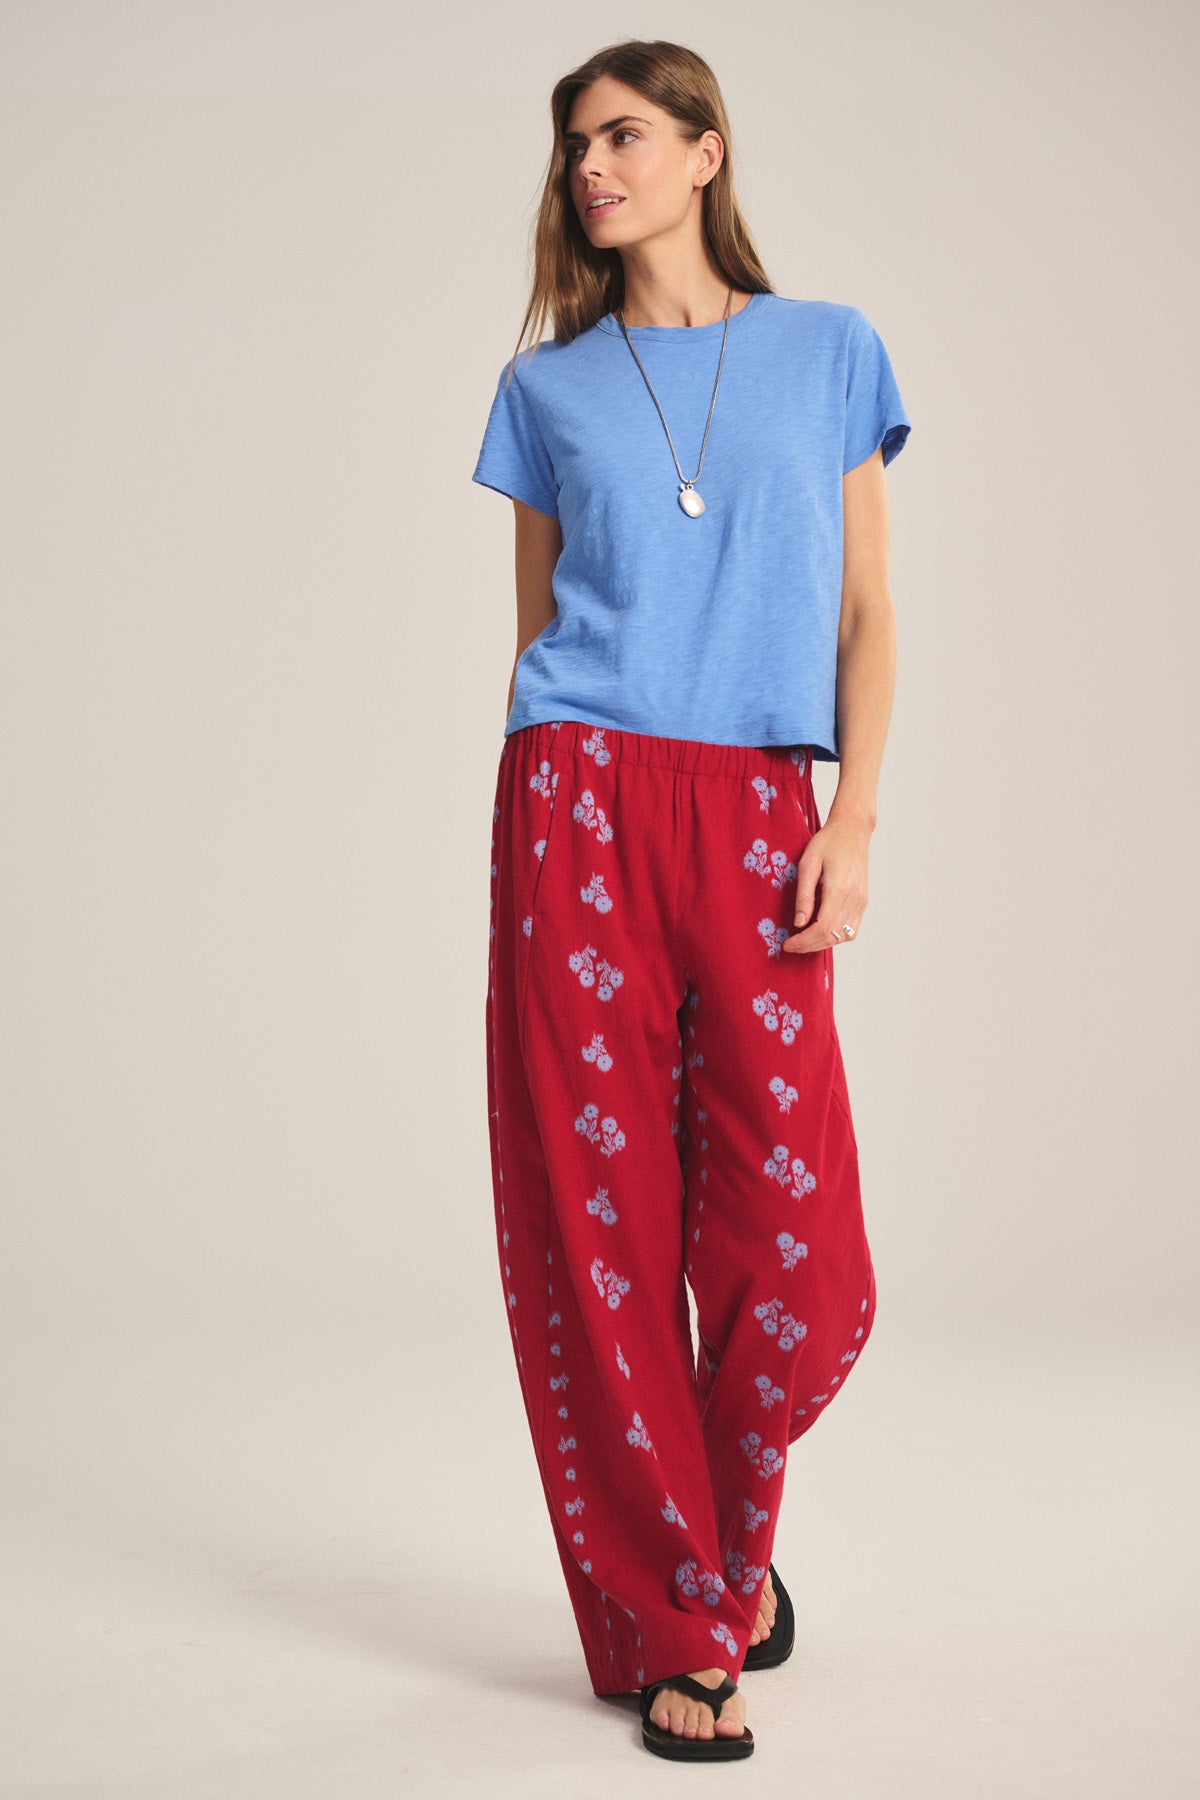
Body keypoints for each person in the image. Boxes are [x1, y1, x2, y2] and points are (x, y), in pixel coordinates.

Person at [471, 38, 911, 1764]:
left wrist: (852, 818)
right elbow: (536, 636)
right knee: (604, 1230)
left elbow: (869, 615)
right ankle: (681, 1622)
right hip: (577, 796)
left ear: (707, 152)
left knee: (803, 1255)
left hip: (755, 809)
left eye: (626, 134)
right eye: (577, 142)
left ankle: (721, 1548)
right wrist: (558, 813)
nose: (594, 166)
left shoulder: (828, 353)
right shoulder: (549, 391)